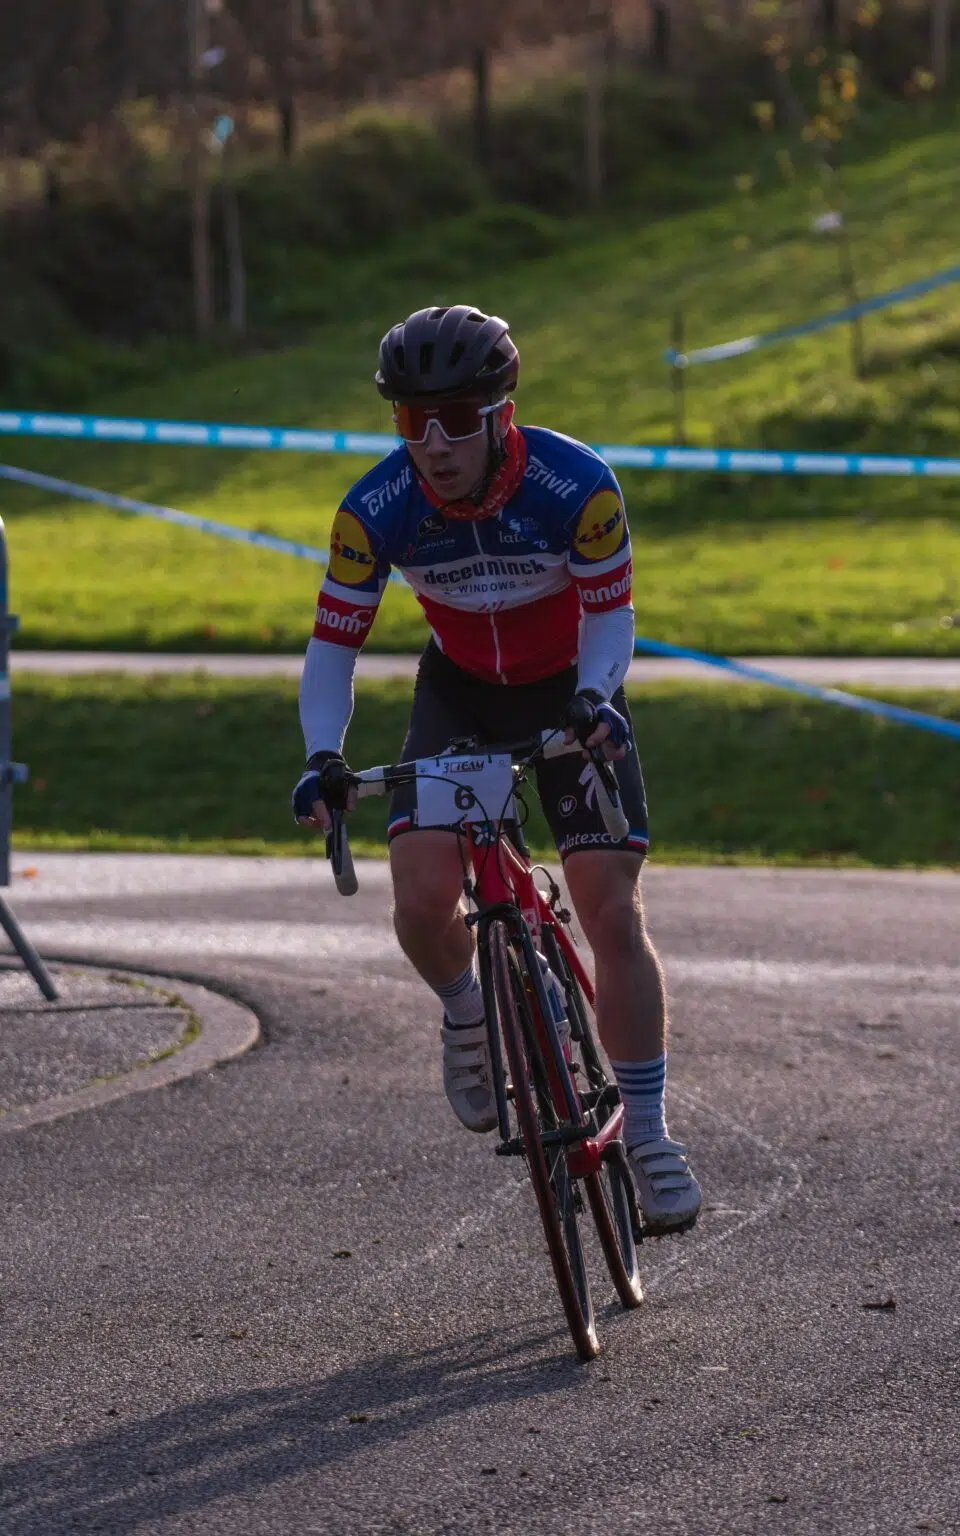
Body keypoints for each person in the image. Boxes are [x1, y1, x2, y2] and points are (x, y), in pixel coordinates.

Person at [292, 304, 701, 1233]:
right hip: (461, 694)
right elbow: (332, 648)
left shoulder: (576, 485)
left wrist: (595, 697)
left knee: (609, 906)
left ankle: (647, 1133)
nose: (432, 445)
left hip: (570, 692)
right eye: (412, 421)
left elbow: (611, 615)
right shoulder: (375, 510)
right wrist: (322, 756)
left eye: (454, 420)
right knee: (419, 899)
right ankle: (468, 1009)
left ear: (501, 415)